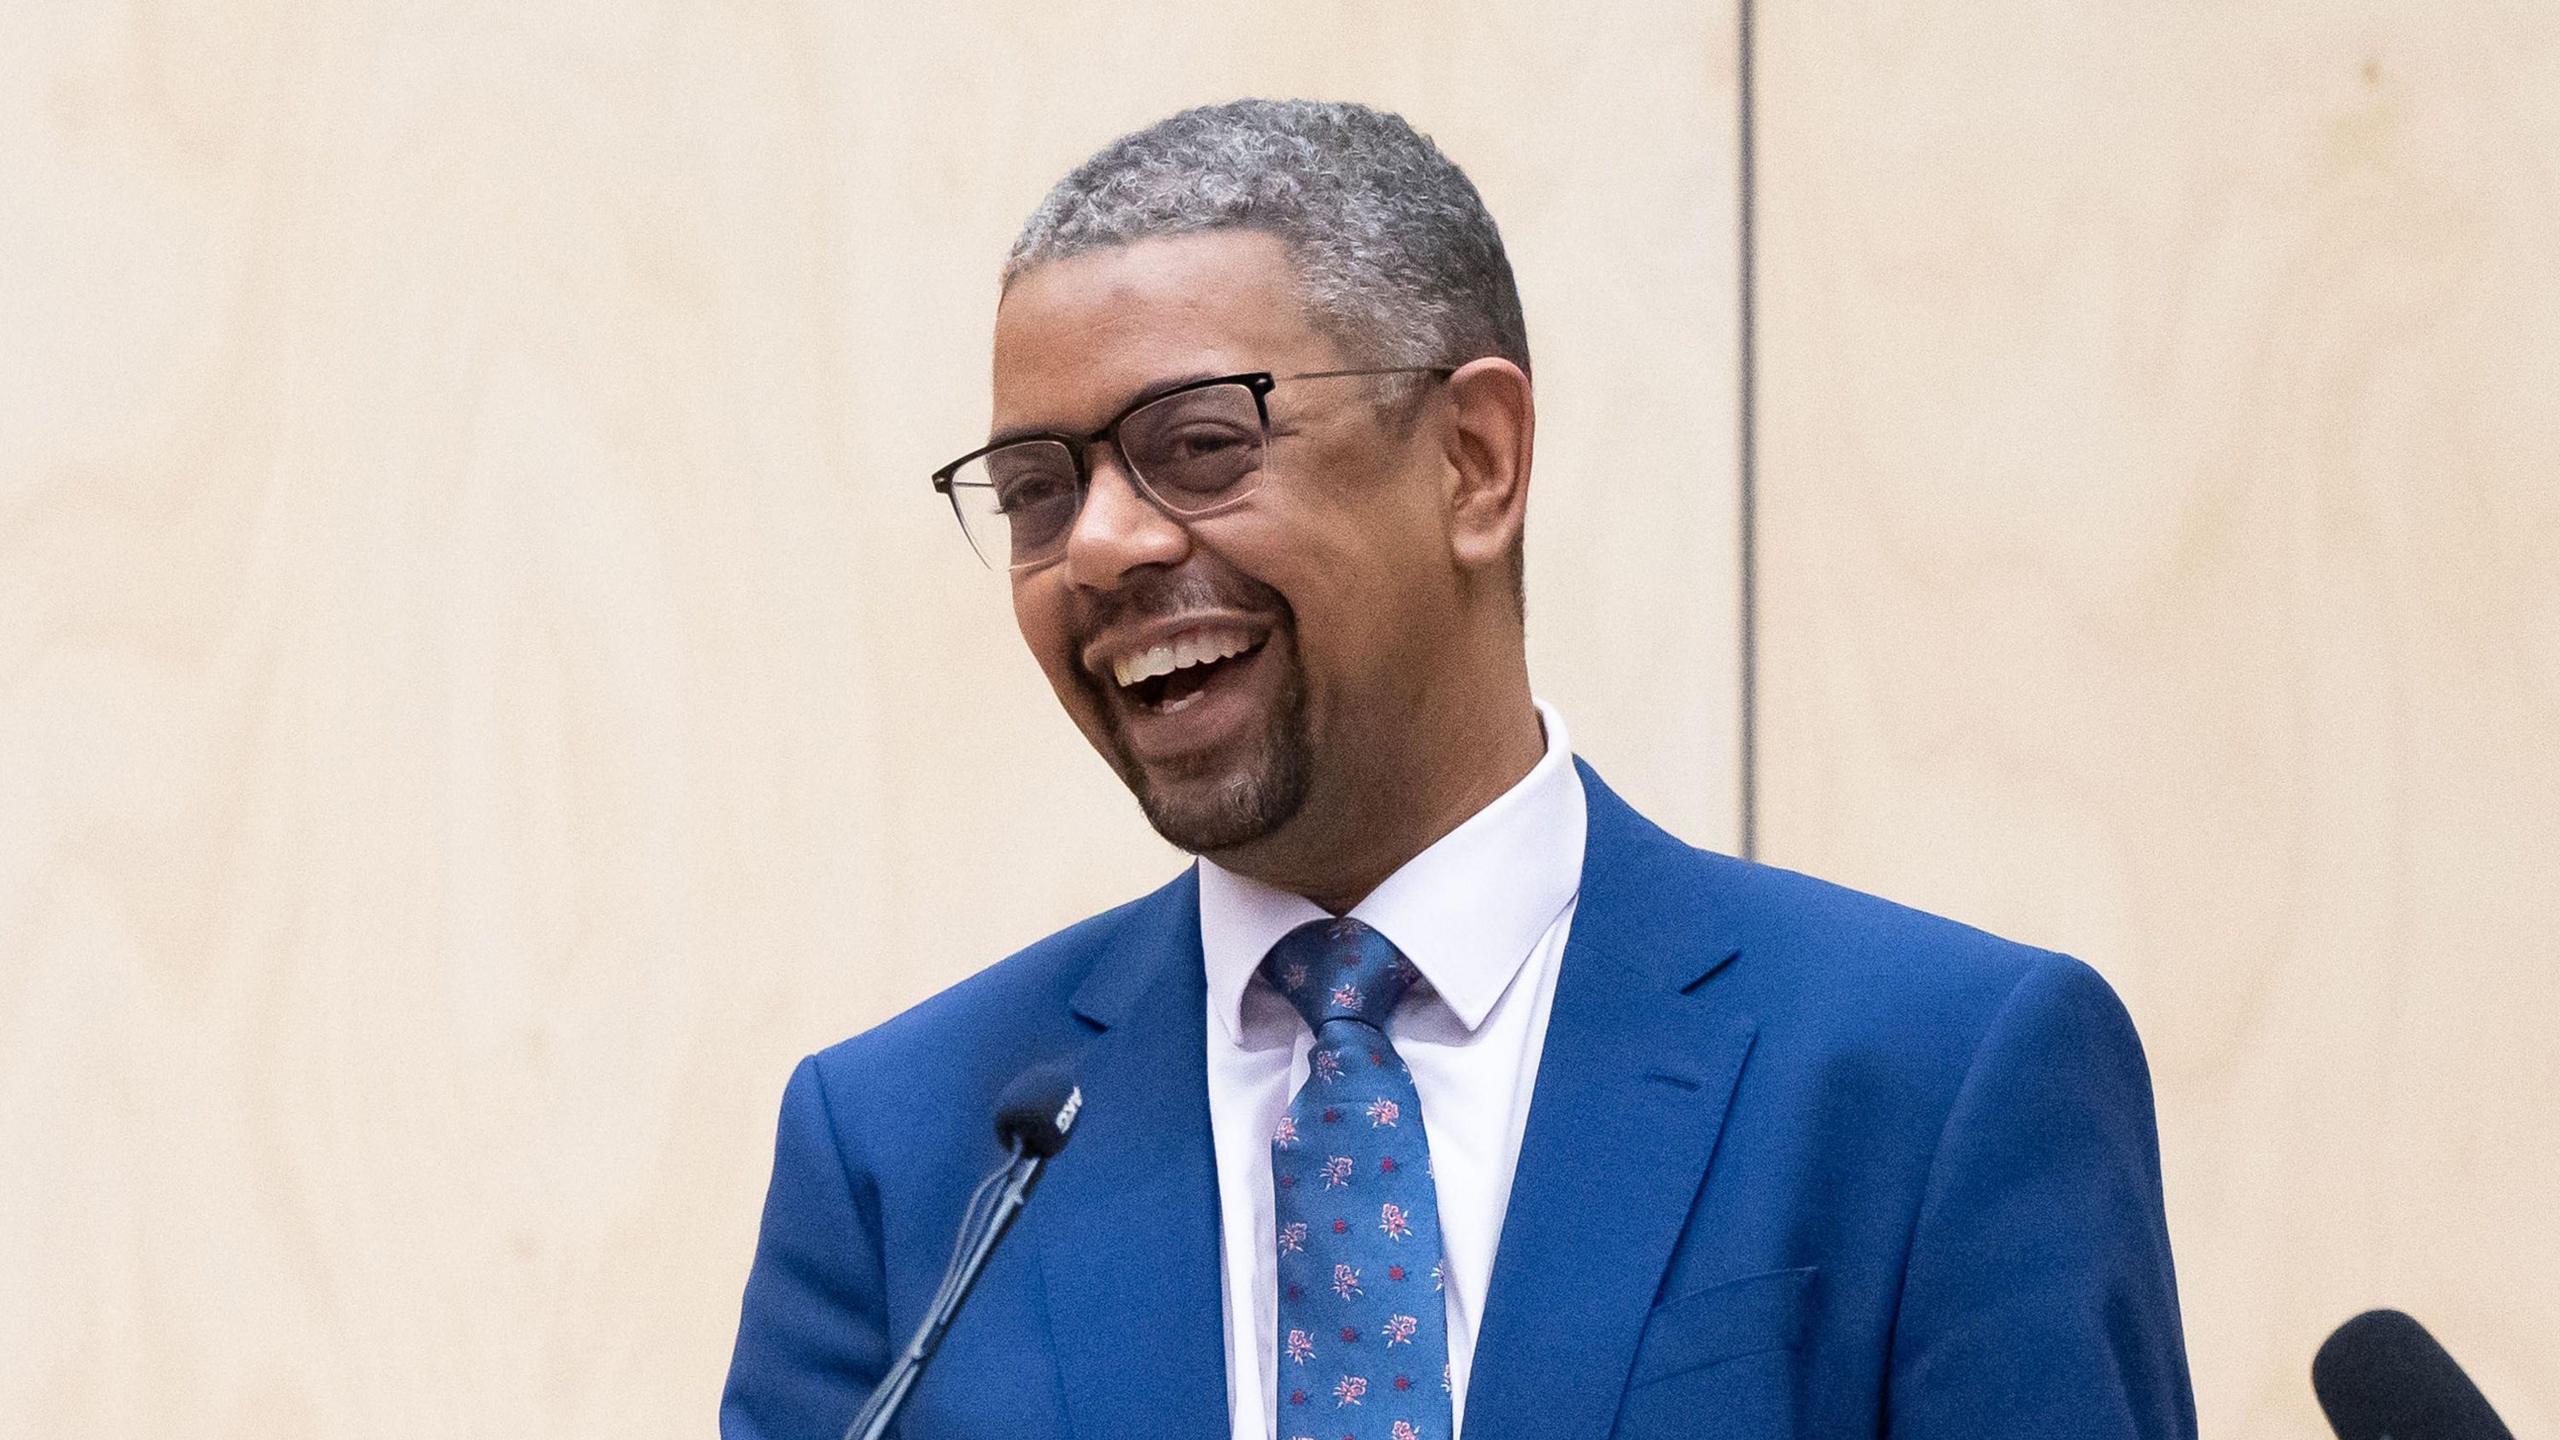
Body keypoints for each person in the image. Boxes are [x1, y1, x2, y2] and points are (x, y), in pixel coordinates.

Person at [721, 98, 2196, 1440]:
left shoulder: (1931, 1080)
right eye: (1042, 491)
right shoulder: (908, 1155)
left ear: (1475, 462)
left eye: (1197, 445)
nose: (1100, 546)